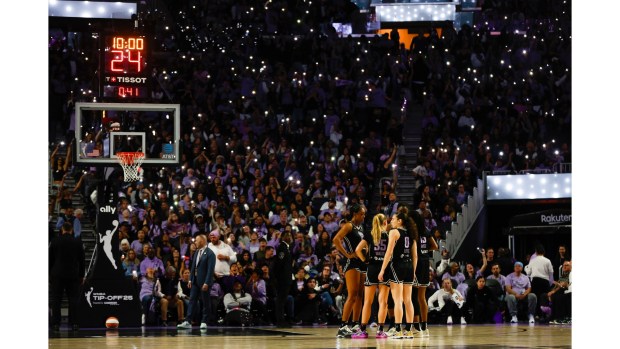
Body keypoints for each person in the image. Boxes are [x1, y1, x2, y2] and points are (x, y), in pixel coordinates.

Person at [378, 209, 418, 339]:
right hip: (409, 267)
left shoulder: (394, 232)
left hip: (398, 266)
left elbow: (388, 253)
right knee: (408, 300)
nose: (391, 221)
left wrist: (383, 269)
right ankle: (409, 330)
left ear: (400, 221)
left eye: (394, 219)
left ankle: (398, 330)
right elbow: (415, 256)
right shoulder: (411, 233)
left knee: (397, 300)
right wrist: (414, 271)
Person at [352, 213, 391, 339]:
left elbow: (358, 250)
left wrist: (365, 260)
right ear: (385, 222)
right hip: (385, 269)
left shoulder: (370, 234)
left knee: (368, 301)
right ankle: (380, 331)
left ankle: (363, 330)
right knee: (383, 302)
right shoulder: (389, 235)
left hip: (372, 268)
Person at [332, 203, 367, 338]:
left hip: (361, 262)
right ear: (355, 214)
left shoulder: (361, 227)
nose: (363, 216)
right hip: (351, 262)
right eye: (361, 214)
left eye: (364, 214)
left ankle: (355, 324)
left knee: (359, 294)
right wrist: (347, 254)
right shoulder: (348, 226)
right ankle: (343, 326)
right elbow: (336, 239)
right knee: (352, 294)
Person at [49, 221, 85, 331]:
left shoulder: (54, 241)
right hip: (73, 275)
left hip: (57, 274)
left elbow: (50, 260)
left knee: (56, 299)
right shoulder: (77, 242)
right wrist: (81, 275)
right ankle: (74, 323)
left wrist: (49, 274)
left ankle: (55, 324)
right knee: (73, 299)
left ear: (62, 230)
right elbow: (82, 261)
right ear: (72, 230)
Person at [177, 234, 216, 330]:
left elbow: (210, 270)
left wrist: (206, 283)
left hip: (204, 282)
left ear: (202, 241)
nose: (195, 242)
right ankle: (188, 321)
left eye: (196, 241)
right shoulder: (196, 252)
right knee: (192, 301)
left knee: (205, 302)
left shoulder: (210, 254)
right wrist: (190, 279)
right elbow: (193, 267)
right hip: (195, 282)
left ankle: (204, 321)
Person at [411, 208, 438, 336]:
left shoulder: (412, 231)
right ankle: (425, 326)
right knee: (422, 297)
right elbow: (435, 246)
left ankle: (415, 326)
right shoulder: (426, 230)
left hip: (416, 263)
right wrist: (425, 251)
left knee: (413, 296)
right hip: (425, 262)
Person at [273, 230, 294, 327]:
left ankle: (282, 320)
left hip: (285, 279)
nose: (289, 237)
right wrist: (279, 278)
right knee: (280, 300)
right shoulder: (282, 248)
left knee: (282, 300)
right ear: (283, 237)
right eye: (287, 235)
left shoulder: (287, 248)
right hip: (283, 279)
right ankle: (280, 321)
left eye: (290, 235)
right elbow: (279, 264)